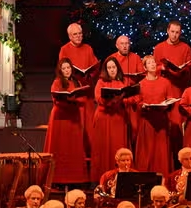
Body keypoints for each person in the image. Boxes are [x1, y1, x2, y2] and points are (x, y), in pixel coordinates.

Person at [46, 58, 89, 184]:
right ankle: (57, 179)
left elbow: (84, 100)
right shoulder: (57, 82)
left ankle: (75, 178)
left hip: (73, 118)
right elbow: (56, 100)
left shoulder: (76, 82)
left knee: (73, 147)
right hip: (60, 118)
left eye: (68, 68)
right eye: (64, 68)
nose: (66, 71)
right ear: (60, 70)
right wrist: (69, 100)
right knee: (60, 147)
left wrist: (74, 99)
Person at [90, 57, 132, 182]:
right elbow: (98, 98)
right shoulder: (101, 82)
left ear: (117, 68)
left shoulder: (123, 81)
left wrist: (125, 98)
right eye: (109, 68)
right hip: (104, 118)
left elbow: (130, 99)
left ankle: (120, 178)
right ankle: (101, 178)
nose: (112, 70)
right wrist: (113, 100)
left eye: (114, 67)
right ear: (105, 70)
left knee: (117, 146)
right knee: (102, 148)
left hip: (118, 119)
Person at [59, 22, 100, 151]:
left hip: (87, 92)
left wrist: (90, 73)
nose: (78, 36)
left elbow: (95, 67)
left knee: (90, 126)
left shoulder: (88, 48)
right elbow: (62, 69)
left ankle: (90, 152)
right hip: (74, 92)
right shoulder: (64, 49)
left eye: (80, 33)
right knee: (77, 126)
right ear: (69, 36)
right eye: (75, 34)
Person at [135, 54, 176, 178]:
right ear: (145, 67)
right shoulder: (141, 84)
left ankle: (163, 177)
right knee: (147, 151)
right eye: (149, 63)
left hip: (161, 120)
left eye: (154, 62)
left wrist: (167, 104)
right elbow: (137, 101)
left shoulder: (165, 82)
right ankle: (146, 178)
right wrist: (142, 105)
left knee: (161, 150)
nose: (153, 64)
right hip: (147, 121)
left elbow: (170, 99)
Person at [154, 20, 191, 130]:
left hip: (179, 88)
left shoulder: (185, 48)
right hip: (163, 88)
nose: (174, 35)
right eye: (172, 31)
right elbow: (153, 68)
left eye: (177, 32)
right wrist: (162, 68)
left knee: (177, 121)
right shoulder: (159, 48)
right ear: (167, 31)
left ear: (180, 33)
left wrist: (183, 69)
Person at [108, 35, 146, 142]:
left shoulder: (136, 58)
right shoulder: (111, 59)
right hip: (117, 98)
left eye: (127, 44)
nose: (125, 46)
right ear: (117, 46)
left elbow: (142, 76)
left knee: (134, 130)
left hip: (132, 98)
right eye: (122, 44)